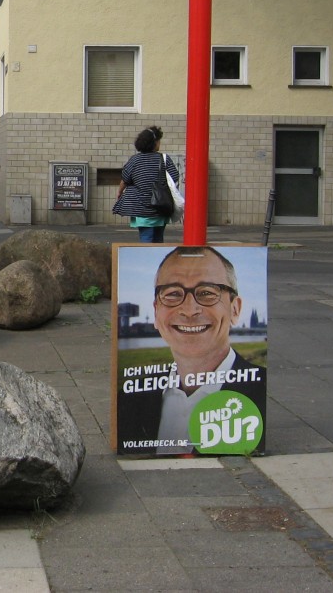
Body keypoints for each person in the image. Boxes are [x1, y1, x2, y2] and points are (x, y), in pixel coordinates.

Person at [117, 246, 266, 455]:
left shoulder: (263, 393)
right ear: (156, 312)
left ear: (235, 309)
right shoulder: (128, 398)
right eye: (172, 294)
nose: (189, 310)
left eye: (207, 293)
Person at [112, 125, 179, 243]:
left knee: (146, 239)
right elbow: (174, 177)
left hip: (141, 208)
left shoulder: (135, 160)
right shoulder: (164, 159)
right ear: (154, 143)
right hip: (161, 206)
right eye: (159, 141)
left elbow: (125, 180)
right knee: (158, 239)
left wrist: (120, 192)